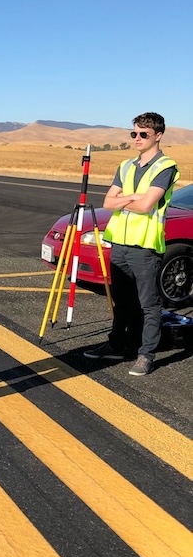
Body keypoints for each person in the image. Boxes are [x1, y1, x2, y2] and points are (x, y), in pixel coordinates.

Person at [84, 112, 179, 375]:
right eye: (134, 133)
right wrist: (133, 196)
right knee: (122, 301)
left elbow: (147, 205)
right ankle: (117, 345)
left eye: (143, 134)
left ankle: (146, 354)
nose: (137, 138)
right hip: (120, 244)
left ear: (158, 135)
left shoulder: (165, 167)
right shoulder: (125, 166)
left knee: (148, 303)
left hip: (145, 245)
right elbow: (107, 203)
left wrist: (125, 198)